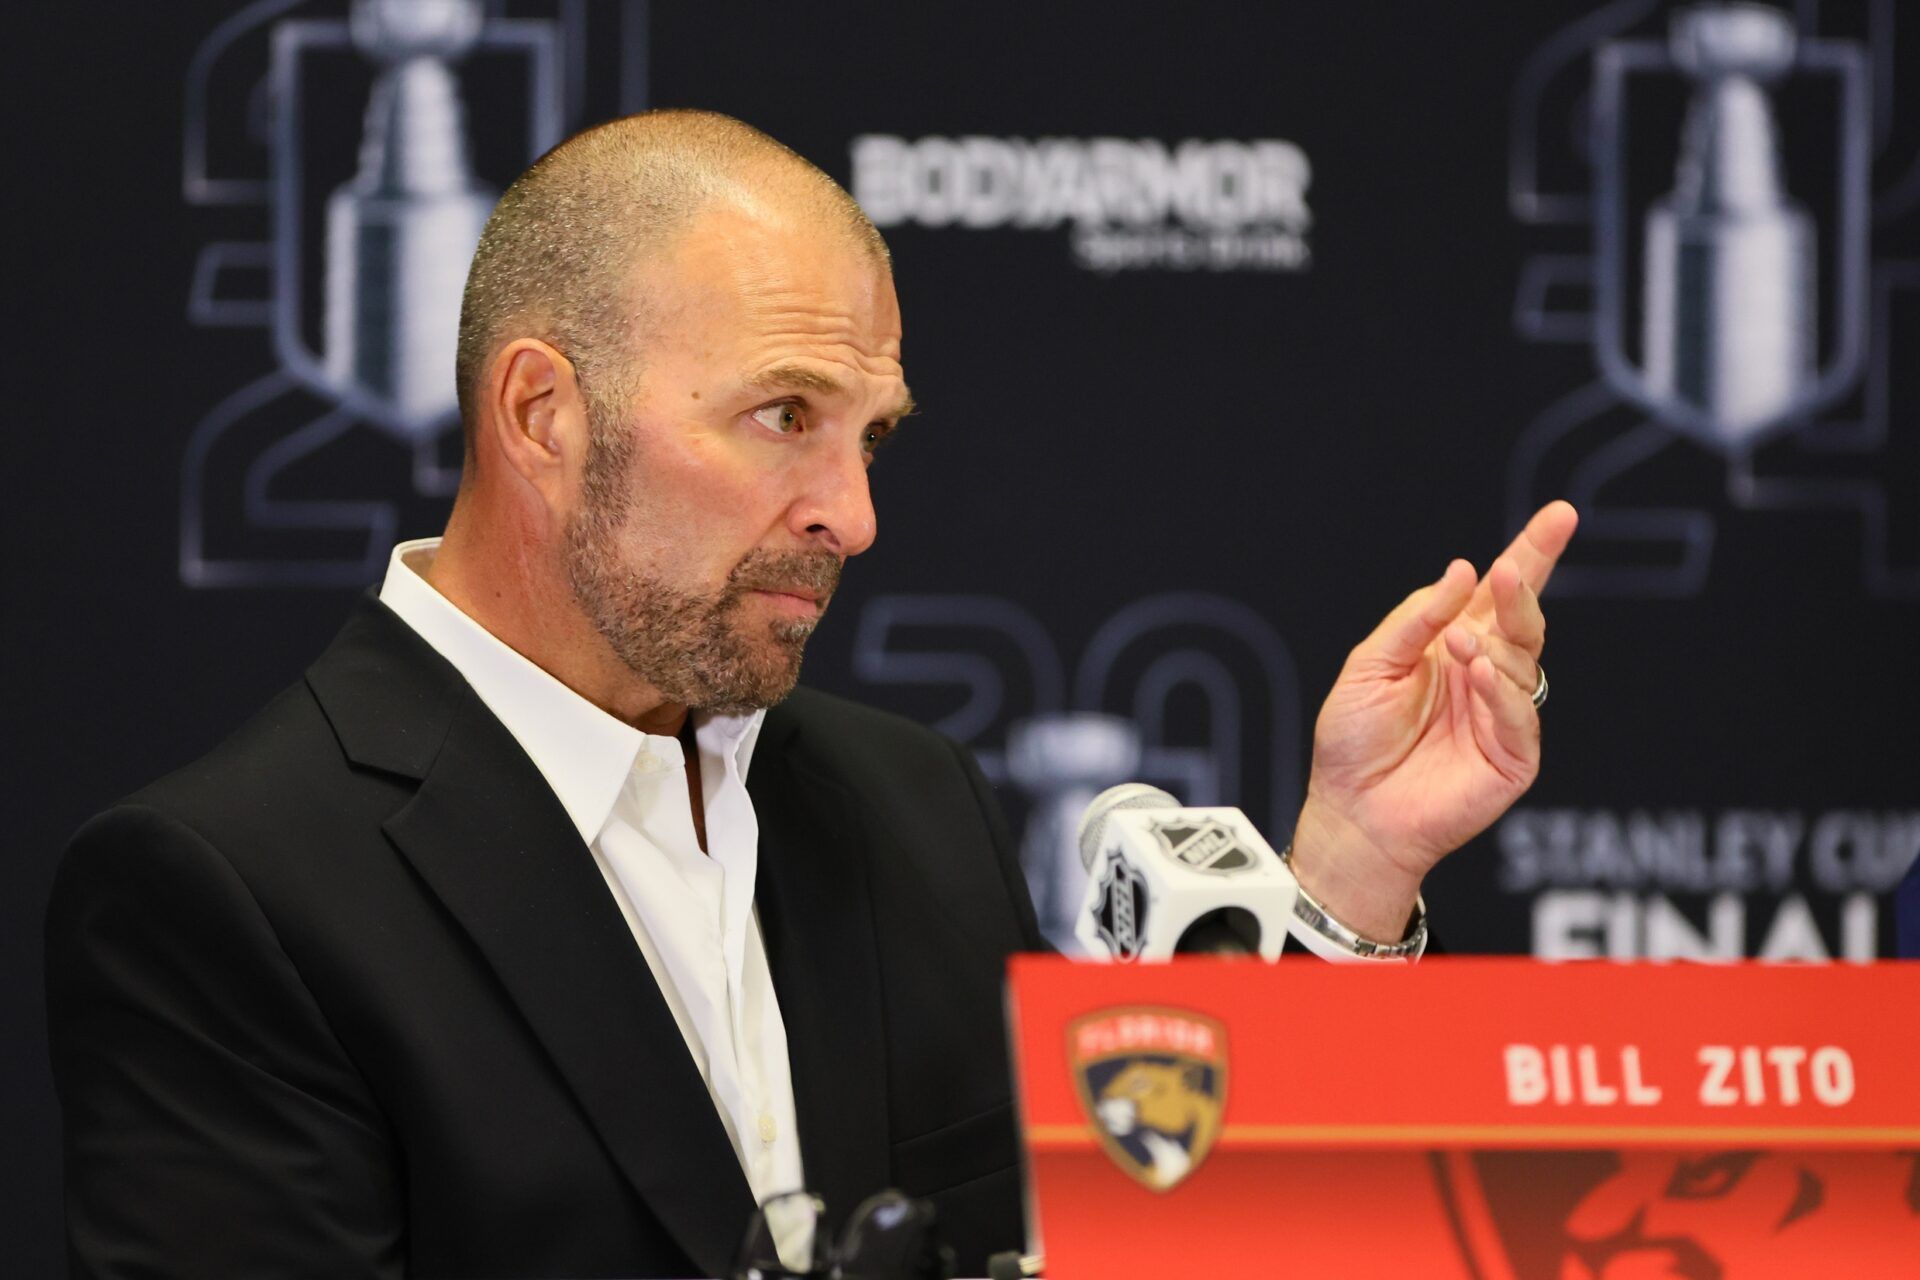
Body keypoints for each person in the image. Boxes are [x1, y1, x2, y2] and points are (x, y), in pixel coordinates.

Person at [46, 110, 1577, 1278]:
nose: (853, 514)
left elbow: (1155, 1235)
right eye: (784, 417)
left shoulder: (909, 802)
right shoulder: (227, 892)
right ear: (541, 415)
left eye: (871, 436)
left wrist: (1354, 869)